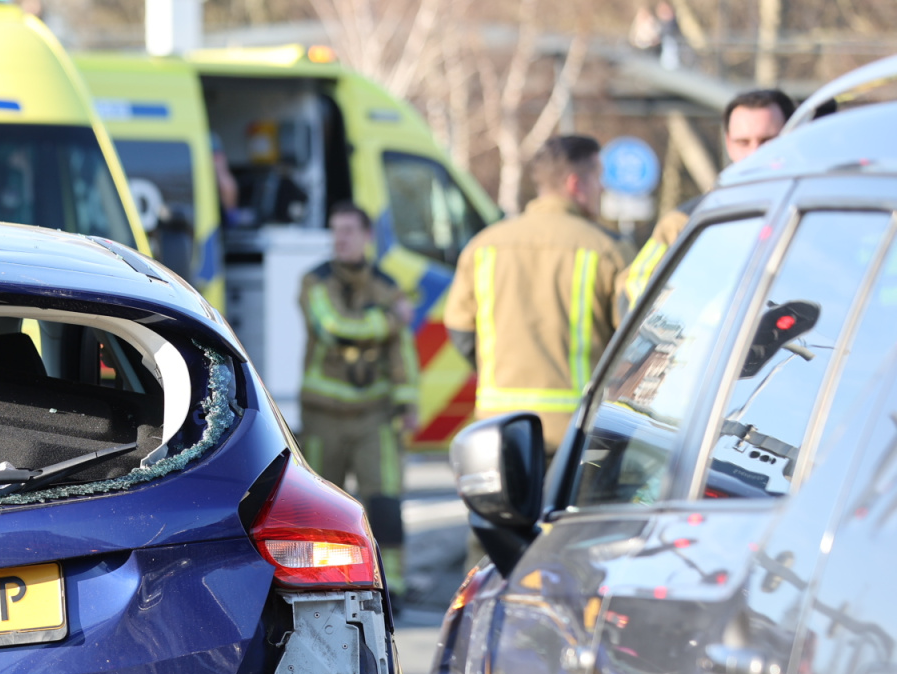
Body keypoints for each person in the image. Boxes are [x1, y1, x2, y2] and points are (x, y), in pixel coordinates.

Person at [443, 136, 627, 450]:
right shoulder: (609, 250)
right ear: (575, 184)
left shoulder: (482, 246)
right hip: (580, 432)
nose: (602, 188)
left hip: (500, 428)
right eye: (598, 178)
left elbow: (461, 331)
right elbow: (636, 339)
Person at [297, 200, 418, 595]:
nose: (341, 239)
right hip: (323, 415)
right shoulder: (314, 282)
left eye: (349, 231)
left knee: (384, 499)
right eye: (335, 231)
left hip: (374, 416)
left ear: (367, 236)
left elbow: (401, 352)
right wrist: (390, 319)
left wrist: (408, 402)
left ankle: (391, 583)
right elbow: (334, 327)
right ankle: (321, 583)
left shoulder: (387, 286)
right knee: (321, 506)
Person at [619, 87, 793, 310]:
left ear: (792, 137)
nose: (754, 154)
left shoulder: (819, 209)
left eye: (767, 140)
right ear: (728, 143)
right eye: (743, 142)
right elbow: (635, 288)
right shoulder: (686, 221)